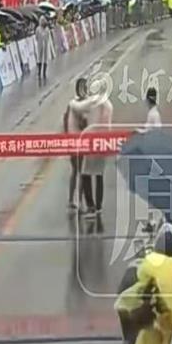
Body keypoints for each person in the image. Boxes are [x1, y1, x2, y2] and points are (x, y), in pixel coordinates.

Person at [69, 78, 113, 234]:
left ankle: (91, 206)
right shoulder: (109, 104)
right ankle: (98, 206)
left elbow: (77, 107)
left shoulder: (94, 102)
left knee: (86, 174)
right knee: (99, 175)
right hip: (104, 143)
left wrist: (72, 103)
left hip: (92, 142)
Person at [64, 78, 88, 212]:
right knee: (82, 172)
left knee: (74, 171)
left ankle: (70, 200)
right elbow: (83, 124)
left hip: (71, 142)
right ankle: (80, 202)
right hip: (79, 142)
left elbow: (65, 119)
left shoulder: (71, 103)